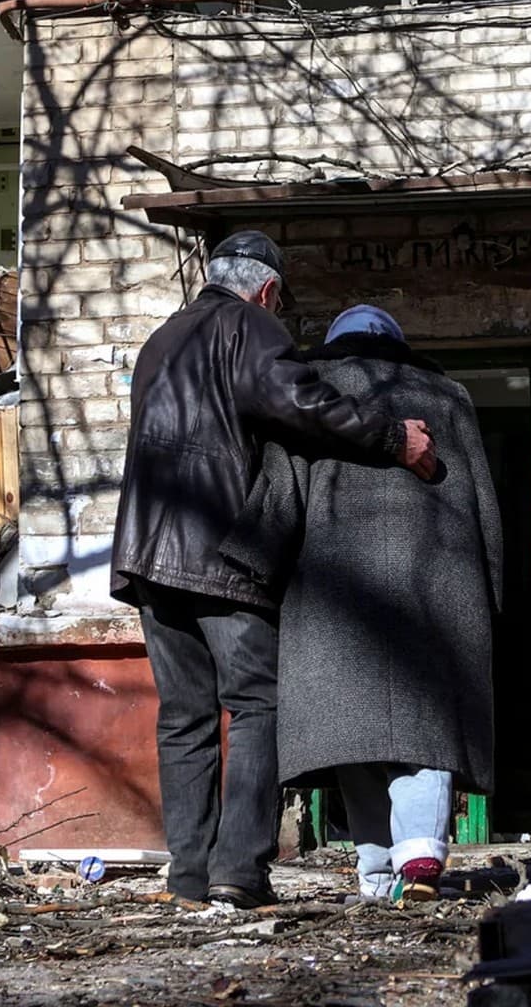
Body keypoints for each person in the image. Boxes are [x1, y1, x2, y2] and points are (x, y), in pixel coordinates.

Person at [111, 234, 437, 909]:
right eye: (280, 300)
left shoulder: (161, 339)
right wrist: (391, 438)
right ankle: (239, 869)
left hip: (147, 552)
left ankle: (189, 877)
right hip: (222, 549)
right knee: (257, 706)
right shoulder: (249, 327)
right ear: (266, 291)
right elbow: (302, 403)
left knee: (184, 717)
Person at [222, 304, 502, 904]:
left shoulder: (312, 393)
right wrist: (492, 592)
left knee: (352, 736)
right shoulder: (449, 396)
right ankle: (420, 852)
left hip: (333, 592)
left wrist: (249, 565)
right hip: (439, 583)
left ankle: (376, 874)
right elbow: (485, 502)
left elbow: (281, 490)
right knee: (425, 728)